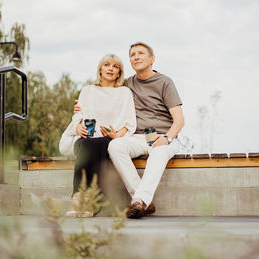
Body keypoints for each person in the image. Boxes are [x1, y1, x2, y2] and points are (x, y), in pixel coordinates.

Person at [75, 42, 184, 219]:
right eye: (132, 55)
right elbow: (103, 96)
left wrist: (167, 138)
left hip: (163, 137)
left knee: (157, 152)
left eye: (141, 53)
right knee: (116, 145)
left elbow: (179, 120)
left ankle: (139, 201)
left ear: (152, 59)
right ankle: (142, 201)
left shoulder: (165, 82)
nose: (136, 57)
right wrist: (80, 108)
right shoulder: (125, 86)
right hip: (137, 137)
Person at [60, 54, 136, 218]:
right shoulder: (87, 90)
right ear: (100, 70)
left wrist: (117, 135)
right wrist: (79, 126)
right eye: (106, 65)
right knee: (85, 143)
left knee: (97, 144)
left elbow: (129, 123)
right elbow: (78, 116)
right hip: (86, 138)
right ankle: (81, 196)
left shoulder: (125, 93)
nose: (110, 68)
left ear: (119, 73)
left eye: (115, 67)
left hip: (109, 139)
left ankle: (88, 198)